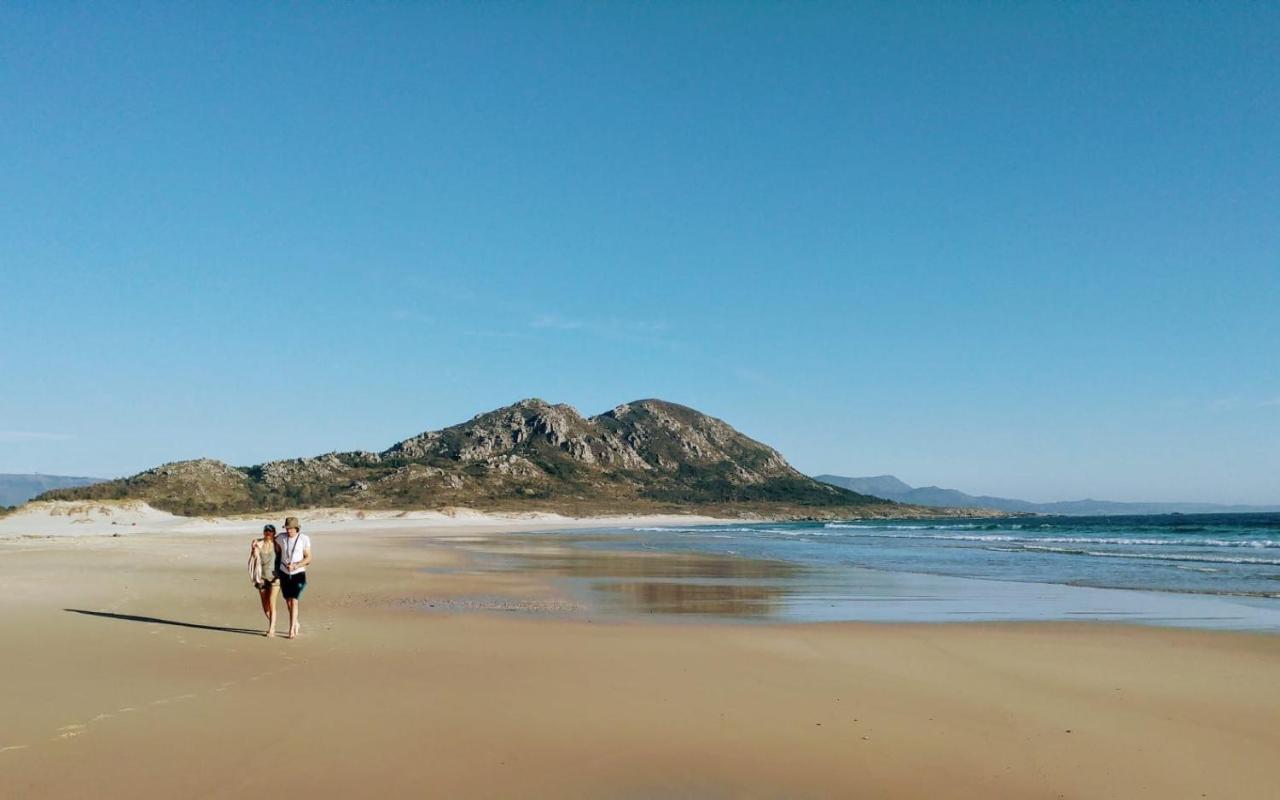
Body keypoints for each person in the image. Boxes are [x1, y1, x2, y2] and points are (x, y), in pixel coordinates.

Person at [274, 516, 311, 639]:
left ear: (296, 528)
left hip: (298, 573)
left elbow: (309, 558)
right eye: (286, 528)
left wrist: (296, 565)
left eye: (290, 528)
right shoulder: (281, 537)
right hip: (284, 572)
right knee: (288, 601)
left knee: (294, 601)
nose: (288, 531)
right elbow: (270, 540)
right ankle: (295, 622)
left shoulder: (304, 539)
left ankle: (291, 630)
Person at [248, 524, 280, 637]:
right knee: (265, 607)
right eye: (266, 531)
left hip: (275, 578)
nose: (268, 533)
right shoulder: (258, 544)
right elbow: (253, 559)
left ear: (274, 533)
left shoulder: (278, 545)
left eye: (270, 531)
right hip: (261, 578)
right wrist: (253, 548)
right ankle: (273, 622)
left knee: (272, 603)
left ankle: (272, 629)